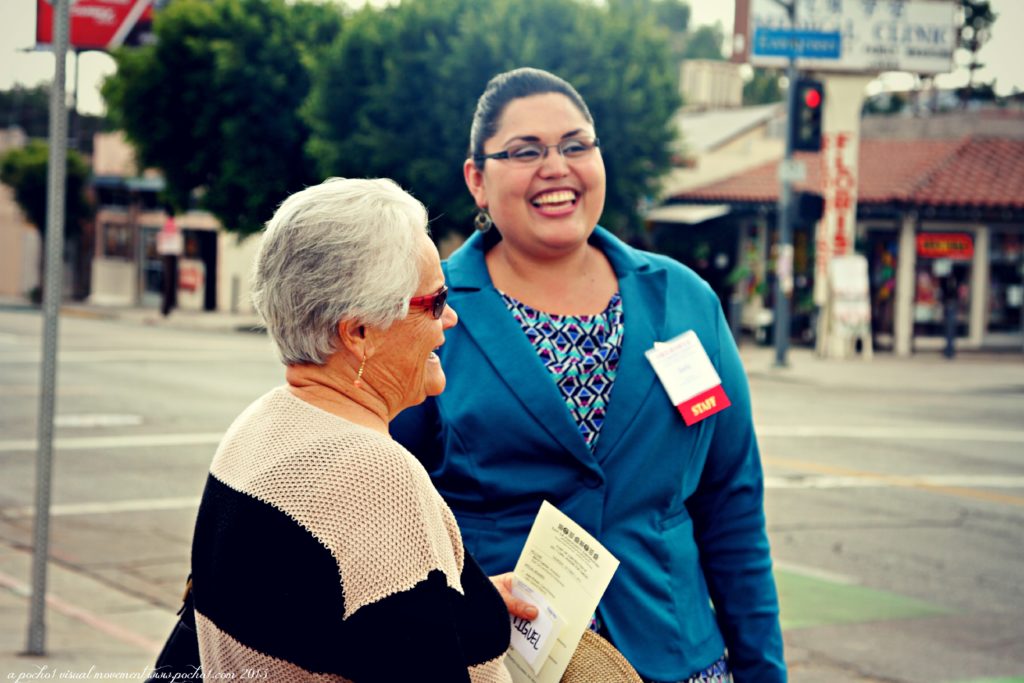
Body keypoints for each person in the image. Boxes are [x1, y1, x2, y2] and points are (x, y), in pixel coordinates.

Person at [392, 68, 787, 683]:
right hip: (498, 661)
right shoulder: (430, 309)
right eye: (526, 151)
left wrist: (763, 671)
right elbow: (384, 506)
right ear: (477, 180)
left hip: (677, 658)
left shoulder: (684, 301)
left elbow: (731, 502)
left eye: (577, 145)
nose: (557, 167)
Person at [186, 178, 518, 682]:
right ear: (359, 332)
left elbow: (334, 621)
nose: (449, 318)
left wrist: (464, 602)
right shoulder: (376, 478)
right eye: (434, 300)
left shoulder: (257, 426)